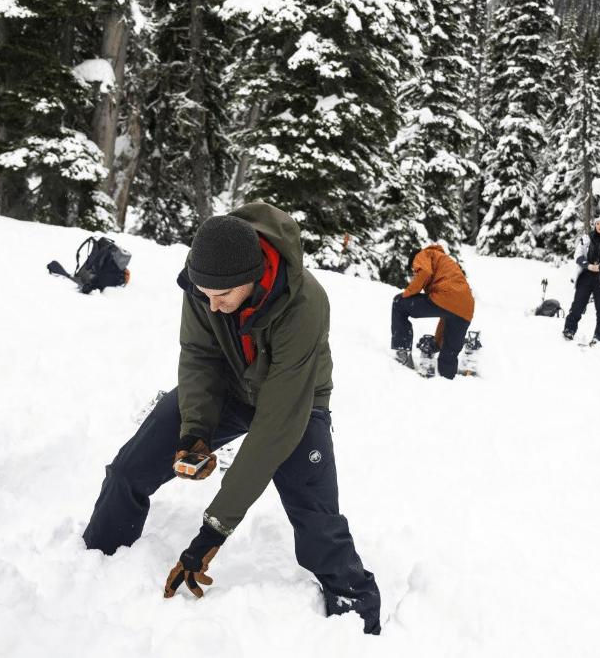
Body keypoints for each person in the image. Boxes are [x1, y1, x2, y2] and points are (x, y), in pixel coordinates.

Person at [82, 203, 381, 635]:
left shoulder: (305, 303)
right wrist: (195, 434)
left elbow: (275, 427)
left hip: (296, 396)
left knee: (316, 519)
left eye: (223, 297)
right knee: (129, 470)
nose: (213, 306)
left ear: (255, 277)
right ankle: (95, 559)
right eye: (205, 296)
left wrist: (213, 531)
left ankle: (355, 610)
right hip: (230, 385)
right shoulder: (205, 281)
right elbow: (201, 357)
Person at [391, 244, 475, 379]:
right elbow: (447, 316)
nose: (415, 273)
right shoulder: (443, 261)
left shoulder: (424, 254)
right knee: (449, 356)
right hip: (466, 309)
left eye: (414, 270)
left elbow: (424, 272)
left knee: (398, 303)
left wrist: (407, 293)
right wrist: (437, 342)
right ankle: (448, 383)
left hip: (446, 298)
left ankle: (403, 353)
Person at [562, 216, 600, 343]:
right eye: (597, 223)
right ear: (595, 225)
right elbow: (577, 255)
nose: (599, 226)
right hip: (586, 276)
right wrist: (587, 265)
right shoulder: (586, 238)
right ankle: (569, 329)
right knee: (577, 305)